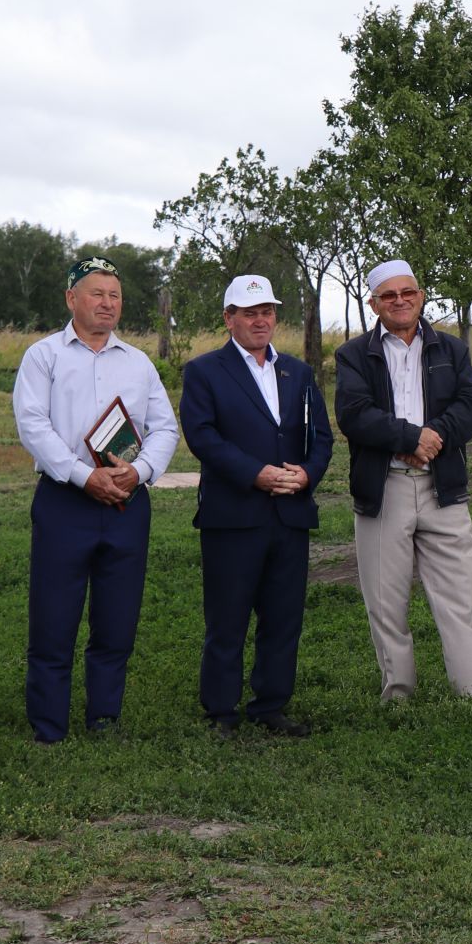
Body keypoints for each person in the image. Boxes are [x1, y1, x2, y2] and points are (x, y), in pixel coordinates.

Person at [12, 256, 178, 743]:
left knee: (117, 618)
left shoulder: (139, 362)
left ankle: (104, 717)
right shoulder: (44, 356)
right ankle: (48, 725)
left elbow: (165, 427)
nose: (108, 304)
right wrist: (85, 477)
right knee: (54, 618)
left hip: (126, 503)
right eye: (96, 294)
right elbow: (33, 425)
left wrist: (140, 470)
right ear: (71, 299)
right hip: (67, 501)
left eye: (115, 296)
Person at [180, 275, 333, 738]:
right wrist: (256, 473)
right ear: (229, 319)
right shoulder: (205, 371)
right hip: (234, 514)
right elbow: (203, 436)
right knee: (227, 618)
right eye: (249, 313)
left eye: (266, 311)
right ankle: (221, 710)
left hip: (290, 513)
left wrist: (307, 473)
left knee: (283, 617)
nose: (260, 320)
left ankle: (270, 704)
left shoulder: (298, 373)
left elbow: (321, 437)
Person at [334, 259, 472, 701]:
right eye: (389, 295)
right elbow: (353, 413)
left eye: (408, 292)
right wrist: (407, 437)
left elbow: (471, 404)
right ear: (374, 304)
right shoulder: (353, 354)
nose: (400, 301)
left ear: (421, 296)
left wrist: (431, 438)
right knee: (385, 603)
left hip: (443, 488)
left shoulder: (451, 349)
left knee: (461, 597)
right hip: (384, 489)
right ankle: (398, 694)